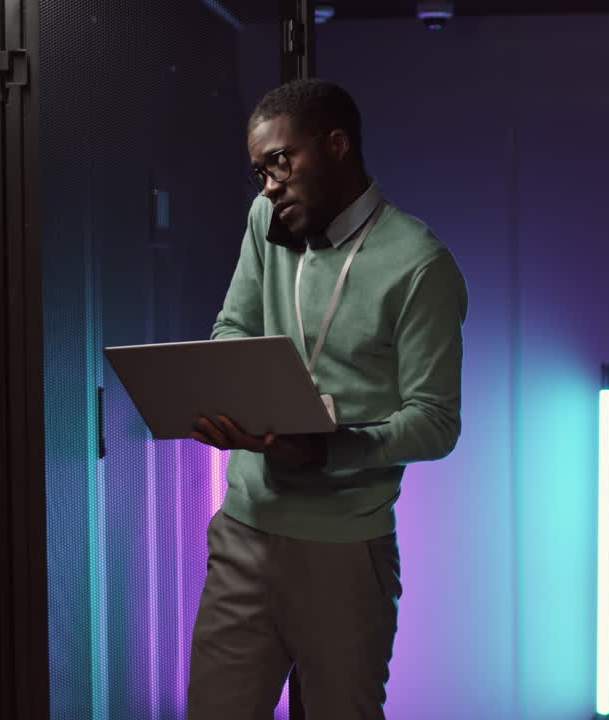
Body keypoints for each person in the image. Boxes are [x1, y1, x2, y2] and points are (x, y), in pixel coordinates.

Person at [186, 78, 468, 720]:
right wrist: (230, 395)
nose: (267, 186)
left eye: (280, 163)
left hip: (345, 553)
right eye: (259, 171)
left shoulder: (421, 265)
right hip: (242, 536)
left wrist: (329, 449)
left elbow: (435, 422)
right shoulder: (267, 220)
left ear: (336, 145)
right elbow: (233, 326)